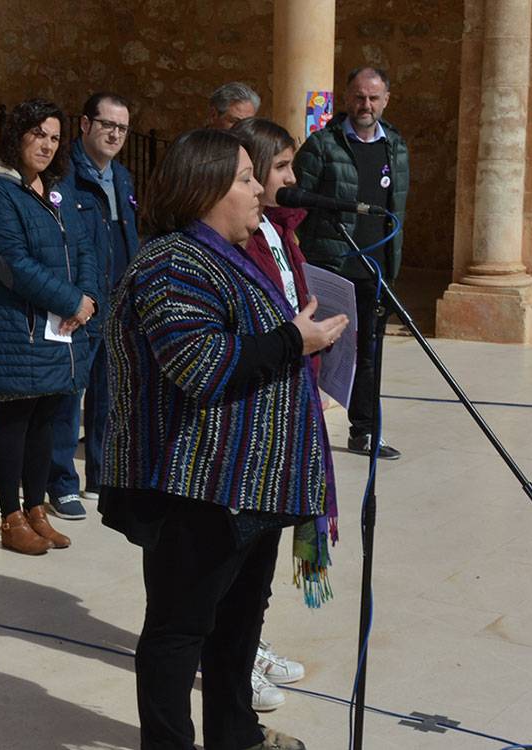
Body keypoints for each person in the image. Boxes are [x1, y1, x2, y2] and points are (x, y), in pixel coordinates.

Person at [101, 129, 347, 750]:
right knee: (179, 630)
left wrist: (298, 334)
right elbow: (202, 365)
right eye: (244, 179)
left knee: (238, 625)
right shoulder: (172, 262)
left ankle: (235, 737)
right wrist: (296, 340)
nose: (261, 190)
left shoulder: (229, 255)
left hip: (250, 484)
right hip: (197, 487)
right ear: (206, 188)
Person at [0, 98, 100, 555]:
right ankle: (10, 517)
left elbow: (82, 248)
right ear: (17, 134)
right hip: (15, 327)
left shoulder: (55, 186)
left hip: (58, 328)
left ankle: (37, 508)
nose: (46, 144)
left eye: (55, 137)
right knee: (15, 419)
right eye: (38, 133)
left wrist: (88, 298)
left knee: (47, 417)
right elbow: (11, 264)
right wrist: (70, 299)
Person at [229, 116, 331, 714]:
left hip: (290, 397)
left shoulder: (278, 230)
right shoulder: (241, 241)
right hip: (256, 406)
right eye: (281, 168)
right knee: (236, 553)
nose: (293, 179)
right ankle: (234, 661)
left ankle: (251, 642)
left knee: (262, 547)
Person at [293, 66, 409, 460]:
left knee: (370, 355)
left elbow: (396, 207)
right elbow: (298, 204)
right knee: (318, 350)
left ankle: (364, 432)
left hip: (375, 271)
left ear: (386, 100)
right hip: (332, 268)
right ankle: (301, 431)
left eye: (374, 98)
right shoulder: (322, 145)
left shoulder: (395, 146)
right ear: (347, 98)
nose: (366, 105)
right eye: (360, 96)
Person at [45, 92, 139, 521]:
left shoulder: (121, 177)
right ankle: (62, 484)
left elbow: (127, 238)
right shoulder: (63, 176)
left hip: (118, 302)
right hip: (81, 304)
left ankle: (101, 476)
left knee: (108, 397)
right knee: (69, 397)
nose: (115, 134)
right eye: (107, 125)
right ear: (84, 125)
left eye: (122, 127)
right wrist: (73, 297)